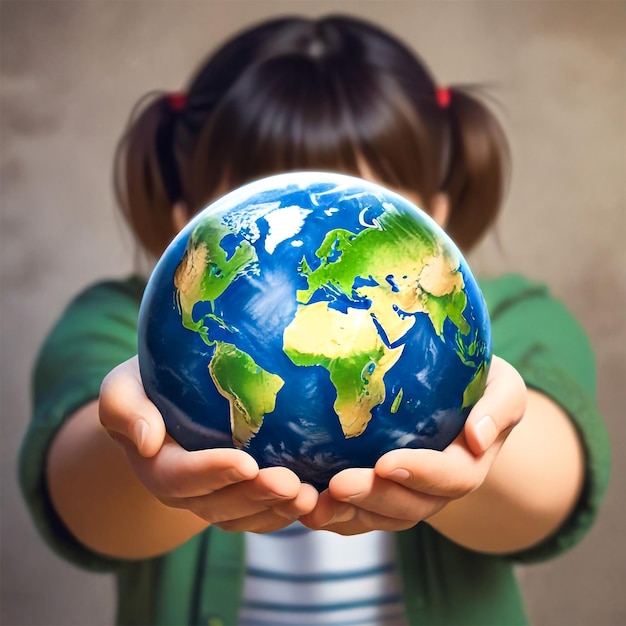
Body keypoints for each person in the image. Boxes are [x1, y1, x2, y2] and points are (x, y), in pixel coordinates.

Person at [19, 14, 610, 626]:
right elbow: (80, 507)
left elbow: (552, 492)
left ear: (436, 216)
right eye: (268, 215)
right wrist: (137, 448)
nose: (307, 263)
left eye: (358, 217)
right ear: (187, 226)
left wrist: (480, 440)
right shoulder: (123, 327)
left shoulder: (501, 324)